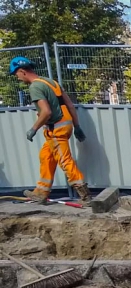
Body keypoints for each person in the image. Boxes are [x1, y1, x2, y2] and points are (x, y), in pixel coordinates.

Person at [8, 57, 91, 205]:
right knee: (46, 156)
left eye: (16, 74)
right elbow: (70, 105)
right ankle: (41, 192)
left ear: (22, 71)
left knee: (65, 161)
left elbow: (46, 112)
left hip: (56, 130)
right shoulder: (50, 82)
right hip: (65, 125)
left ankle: (84, 194)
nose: (17, 78)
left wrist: (33, 129)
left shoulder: (35, 87)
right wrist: (77, 126)